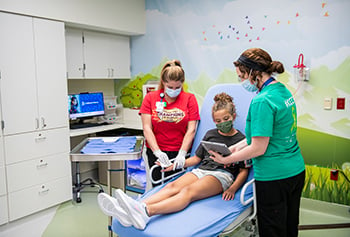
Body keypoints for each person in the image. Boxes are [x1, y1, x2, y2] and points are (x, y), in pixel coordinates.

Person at [97, 92, 252, 230]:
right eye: (218, 121)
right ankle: (134, 208)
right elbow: (196, 159)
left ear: (233, 116)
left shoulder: (242, 140)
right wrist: (174, 165)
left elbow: (244, 170)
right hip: (201, 170)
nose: (222, 123)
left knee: (187, 192)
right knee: (172, 186)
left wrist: (233, 188)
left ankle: (145, 212)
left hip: (221, 175)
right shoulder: (210, 134)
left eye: (226, 119)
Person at [210, 48, 305, 237]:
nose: (241, 82)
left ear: (253, 72)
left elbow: (258, 148)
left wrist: (225, 160)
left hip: (274, 177)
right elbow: (262, 137)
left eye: (241, 76)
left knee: (273, 231)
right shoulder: (281, 90)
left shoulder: (262, 101)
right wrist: (232, 149)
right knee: (289, 226)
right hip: (295, 171)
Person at [139, 59, 200, 186]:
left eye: (177, 87)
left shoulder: (190, 99)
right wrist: (157, 152)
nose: (174, 90)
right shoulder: (150, 98)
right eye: (170, 87)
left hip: (181, 152)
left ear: (182, 83)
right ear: (163, 83)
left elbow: (192, 129)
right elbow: (147, 128)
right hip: (156, 152)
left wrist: (182, 153)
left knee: (178, 188)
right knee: (159, 187)